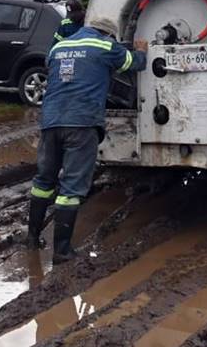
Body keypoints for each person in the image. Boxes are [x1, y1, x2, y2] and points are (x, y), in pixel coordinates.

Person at [28, 16, 147, 263]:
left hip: (51, 121)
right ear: (108, 35)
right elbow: (133, 63)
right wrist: (141, 51)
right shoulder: (106, 47)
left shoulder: (58, 47)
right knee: (71, 187)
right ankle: (61, 251)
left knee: (43, 181)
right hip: (81, 123)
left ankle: (31, 239)